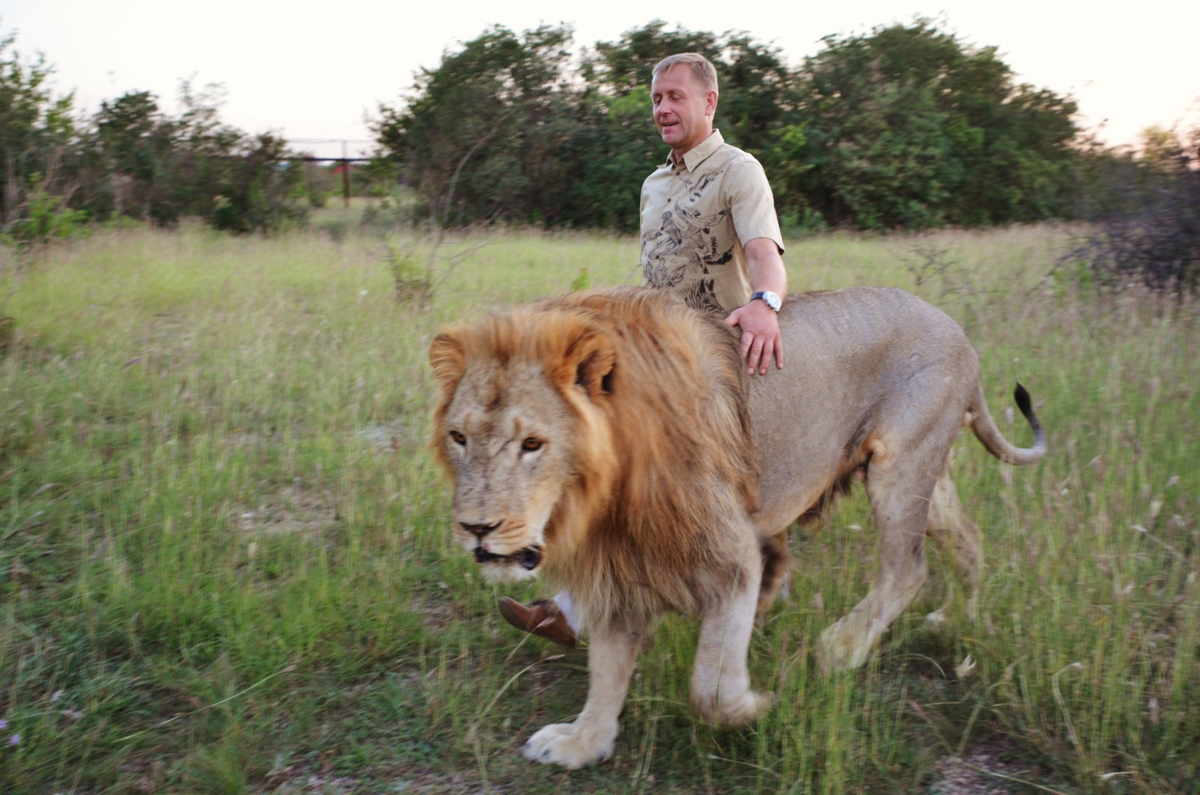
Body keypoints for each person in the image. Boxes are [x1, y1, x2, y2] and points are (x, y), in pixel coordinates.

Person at [497, 52, 788, 647]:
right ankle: (581, 605)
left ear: (708, 103)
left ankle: (585, 611)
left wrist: (766, 303)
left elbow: (764, 253)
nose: (662, 109)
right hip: (652, 358)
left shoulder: (739, 170)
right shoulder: (653, 184)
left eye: (675, 97)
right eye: (657, 99)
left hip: (712, 364)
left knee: (644, 481)